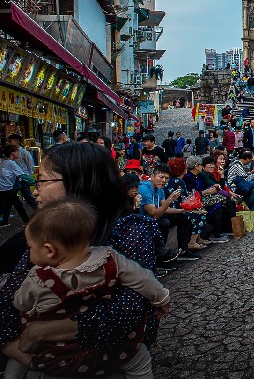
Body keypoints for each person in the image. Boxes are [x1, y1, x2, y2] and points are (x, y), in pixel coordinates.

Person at [0, 143, 159, 375]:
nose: (36, 190)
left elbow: (131, 311)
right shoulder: (39, 233)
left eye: (42, 180)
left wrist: (45, 330)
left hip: (109, 362)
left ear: (78, 182)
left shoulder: (128, 232)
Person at [4, 199, 170, 379]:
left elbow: (21, 303)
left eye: (30, 247)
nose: (29, 253)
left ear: (49, 250)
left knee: (20, 361)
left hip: (64, 356)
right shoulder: (111, 258)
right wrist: (162, 299)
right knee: (141, 361)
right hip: (114, 346)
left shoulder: (39, 278)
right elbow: (144, 279)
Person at [138, 166, 199, 261]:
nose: (163, 181)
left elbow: (165, 208)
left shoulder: (159, 189)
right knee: (164, 222)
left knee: (184, 217)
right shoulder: (145, 189)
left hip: (155, 217)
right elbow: (154, 214)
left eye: (166, 178)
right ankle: (161, 256)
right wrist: (170, 199)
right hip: (143, 219)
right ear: (153, 176)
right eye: (161, 177)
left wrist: (184, 210)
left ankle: (183, 250)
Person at [0, 146, 29, 227]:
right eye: (17, 152)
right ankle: (27, 221)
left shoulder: (3, 162)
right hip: (7, 189)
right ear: (13, 153)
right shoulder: (11, 163)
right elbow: (22, 175)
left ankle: (5, 221)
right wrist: (33, 181)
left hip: (3, 188)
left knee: (7, 204)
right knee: (18, 205)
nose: (19, 153)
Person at [6, 135, 36, 211]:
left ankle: (38, 211)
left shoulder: (24, 153)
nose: (8, 143)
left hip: (23, 179)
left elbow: (30, 165)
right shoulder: (9, 153)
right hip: (13, 179)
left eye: (10, 141)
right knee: (10, 198)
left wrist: (28, 177)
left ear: (17, 141)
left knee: (28, 197)